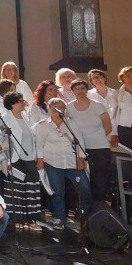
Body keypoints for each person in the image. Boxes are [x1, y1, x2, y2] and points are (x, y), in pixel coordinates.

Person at [34, 97, 92, 228]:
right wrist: (40, 160)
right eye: (55, 108)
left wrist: (81, 158)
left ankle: (87, 218)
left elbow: (80, 141)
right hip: (52, 163)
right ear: (49, 110)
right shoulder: (43, 125)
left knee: (84, 188)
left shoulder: (71, 123)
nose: (58, 111)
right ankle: (61, 219)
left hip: (72, 162)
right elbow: (39, 144)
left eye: (61, 108)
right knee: (58, 191)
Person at [66, 78, 116, 202]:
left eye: (82, 88)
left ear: (87, 89)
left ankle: (99, 208)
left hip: (100, 148)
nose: (80, 91)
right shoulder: (69, 107)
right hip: (80, 149)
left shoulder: (97, 105)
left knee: (99, 180)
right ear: (72, 91)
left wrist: (97, 137)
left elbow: (108, 126)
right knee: (82, 181)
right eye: (76, 88)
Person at [2, 92, 41, 232]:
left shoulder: (25, 117)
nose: (23, 103)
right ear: (12, 104)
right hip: (14, 159)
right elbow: (4, 140)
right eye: (19, 101)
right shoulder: (5, 119)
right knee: (17, 189)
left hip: (29, 158)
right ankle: (18, 219)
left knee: (31, 187)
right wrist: (7, 160)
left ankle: (31, 219)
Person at [115, 66, 132, 150]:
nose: (131, 78)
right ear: (122, 78)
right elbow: (113, 114)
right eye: (128, 75)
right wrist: (114, 133)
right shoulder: (117, 94)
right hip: (125, 129)